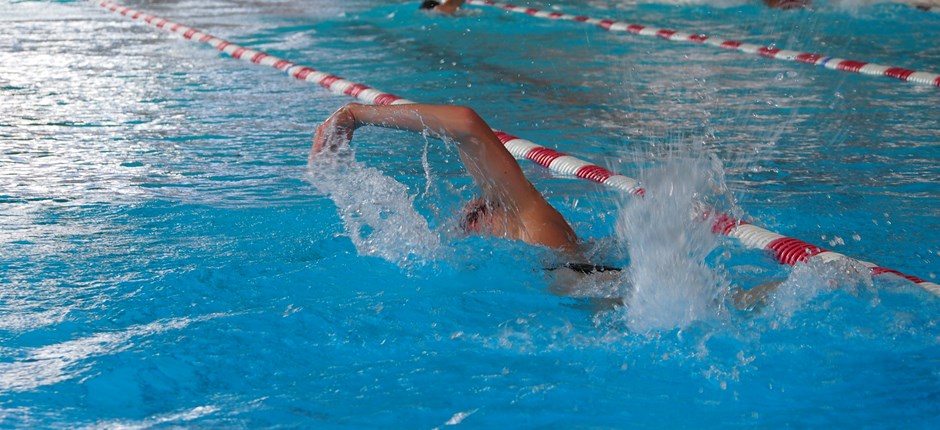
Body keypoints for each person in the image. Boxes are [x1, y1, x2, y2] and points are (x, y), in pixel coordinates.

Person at [311, 102, 581, 253]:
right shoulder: (521, 233)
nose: (464, 219)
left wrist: (356, 114)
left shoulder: (524, 214)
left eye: (470, 222)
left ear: (491, 211)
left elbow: (465, 123)